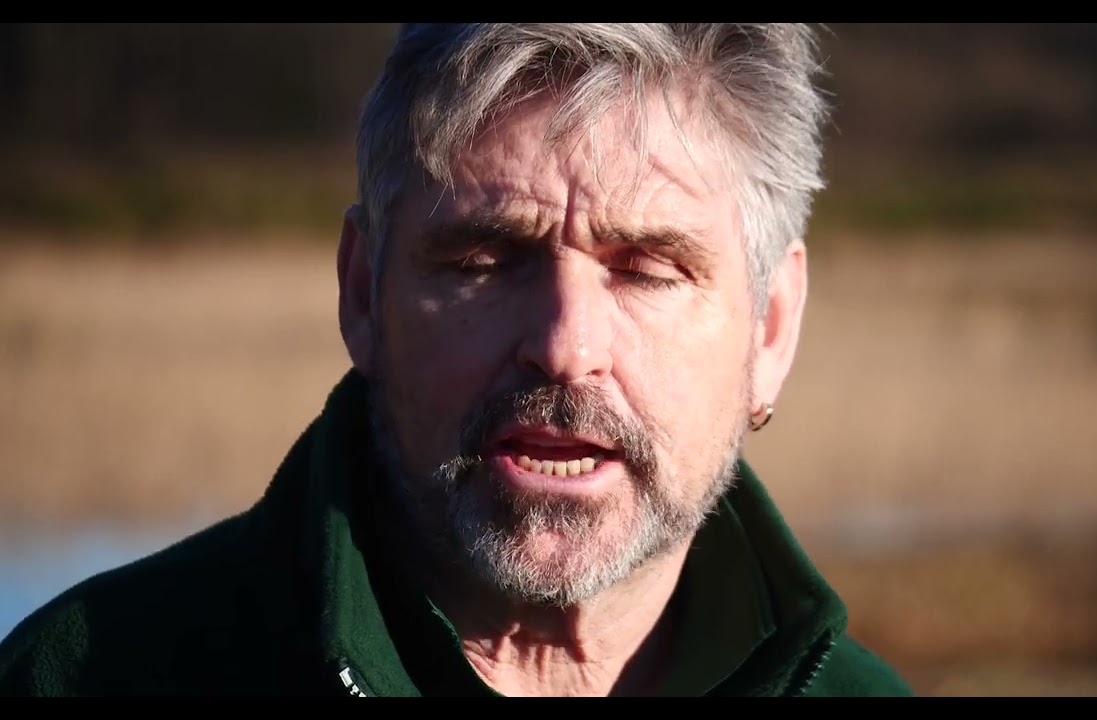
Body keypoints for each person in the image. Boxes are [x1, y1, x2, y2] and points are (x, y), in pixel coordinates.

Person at [0, 23, 913, 697]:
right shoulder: (91, 677)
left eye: (646, 269)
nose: (566, 346)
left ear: (770, 328)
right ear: (363, 294)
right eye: (484, 263)